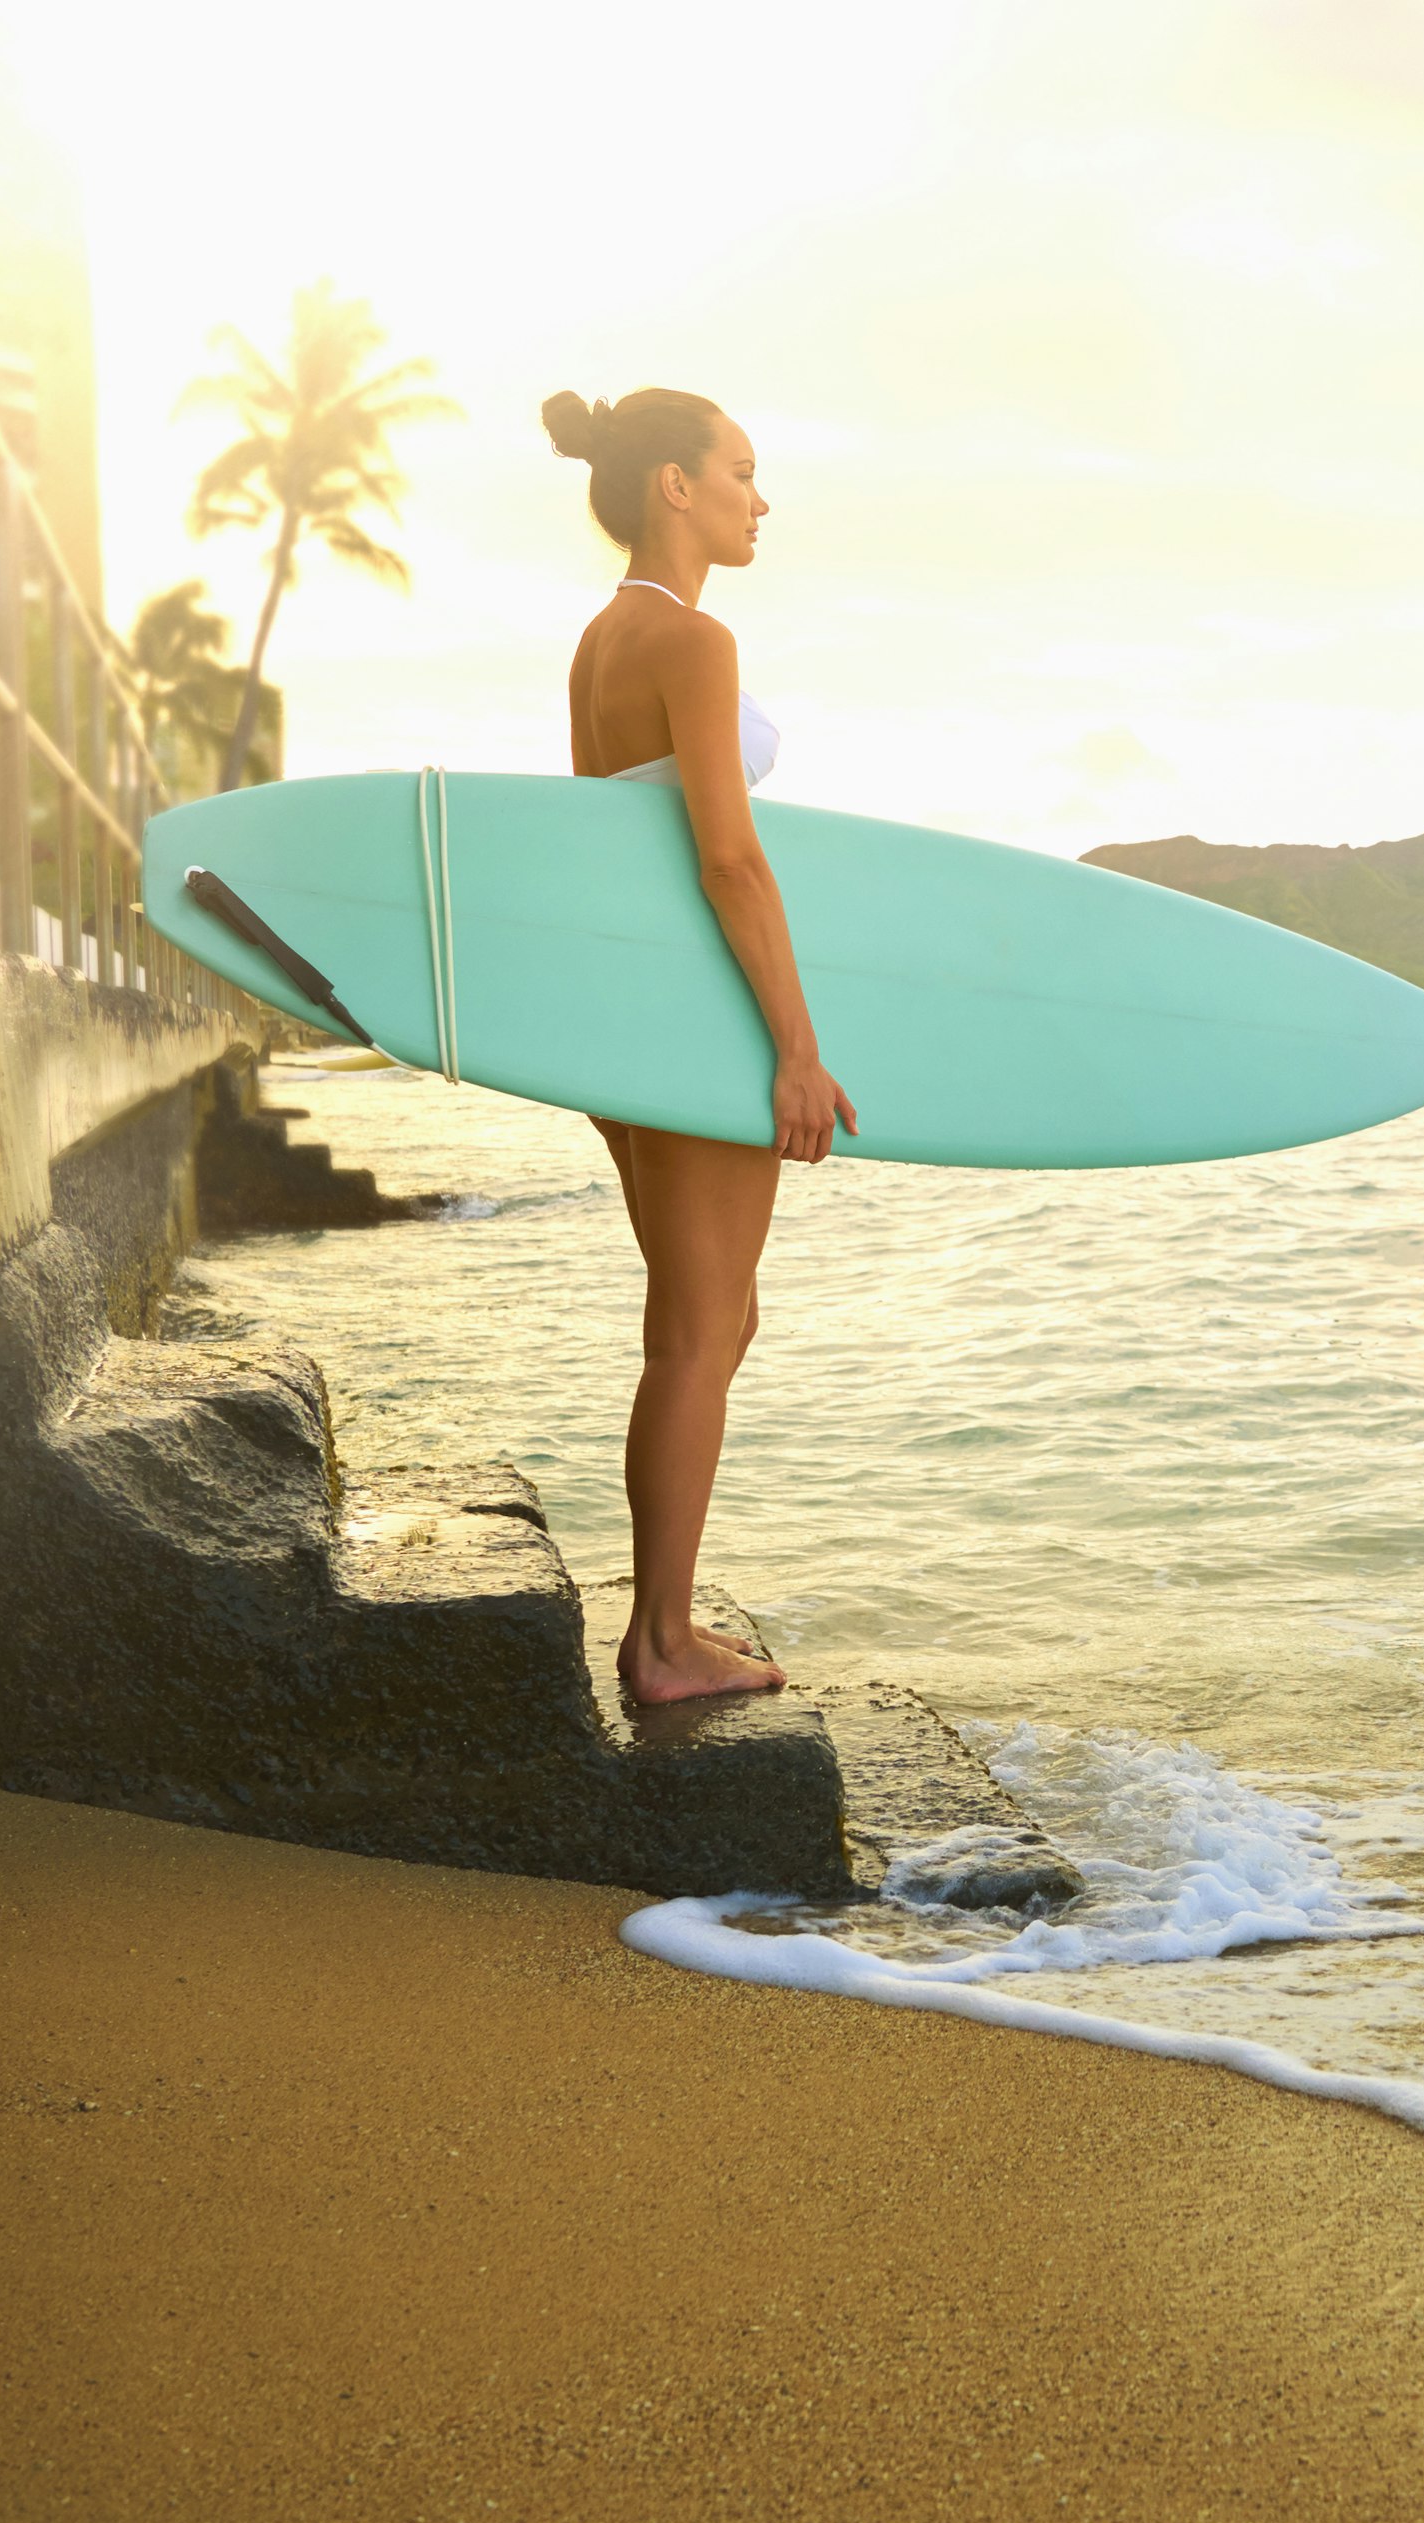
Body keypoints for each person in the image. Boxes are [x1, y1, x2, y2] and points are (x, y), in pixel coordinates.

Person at [541, 386, 856, 1703]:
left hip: (632, 1019)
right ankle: (662, 1643)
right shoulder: (693, 642)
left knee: (712, 1322)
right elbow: (728, 859)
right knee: (697, 1332)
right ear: (675, 484)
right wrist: (795, 1045)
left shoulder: (601, 640)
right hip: (694, 1017)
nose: (758, 496)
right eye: (741, 469)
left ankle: (661, 1624)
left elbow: (606, 852)